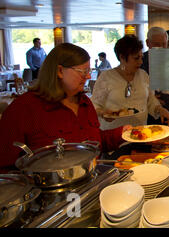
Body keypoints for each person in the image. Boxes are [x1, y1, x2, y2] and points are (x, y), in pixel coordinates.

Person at [0, 43, 128, 172]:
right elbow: (5, 167)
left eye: (88, 71)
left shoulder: (84, 102)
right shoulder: (23, 109)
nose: (88, 76)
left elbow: (94, 142)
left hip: (90, 179)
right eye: (83, 72)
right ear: (60, 71)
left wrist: (123, 133)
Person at [91, 35, 169, 130]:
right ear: (122, 57)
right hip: (114, 134)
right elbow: (95, 104)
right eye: (136, 58)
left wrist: (160, 109)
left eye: (141, 57)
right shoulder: (106, 77)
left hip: (140, 131)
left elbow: (150, 100)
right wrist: (103, 113)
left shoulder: (143, 75)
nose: (141, 62)